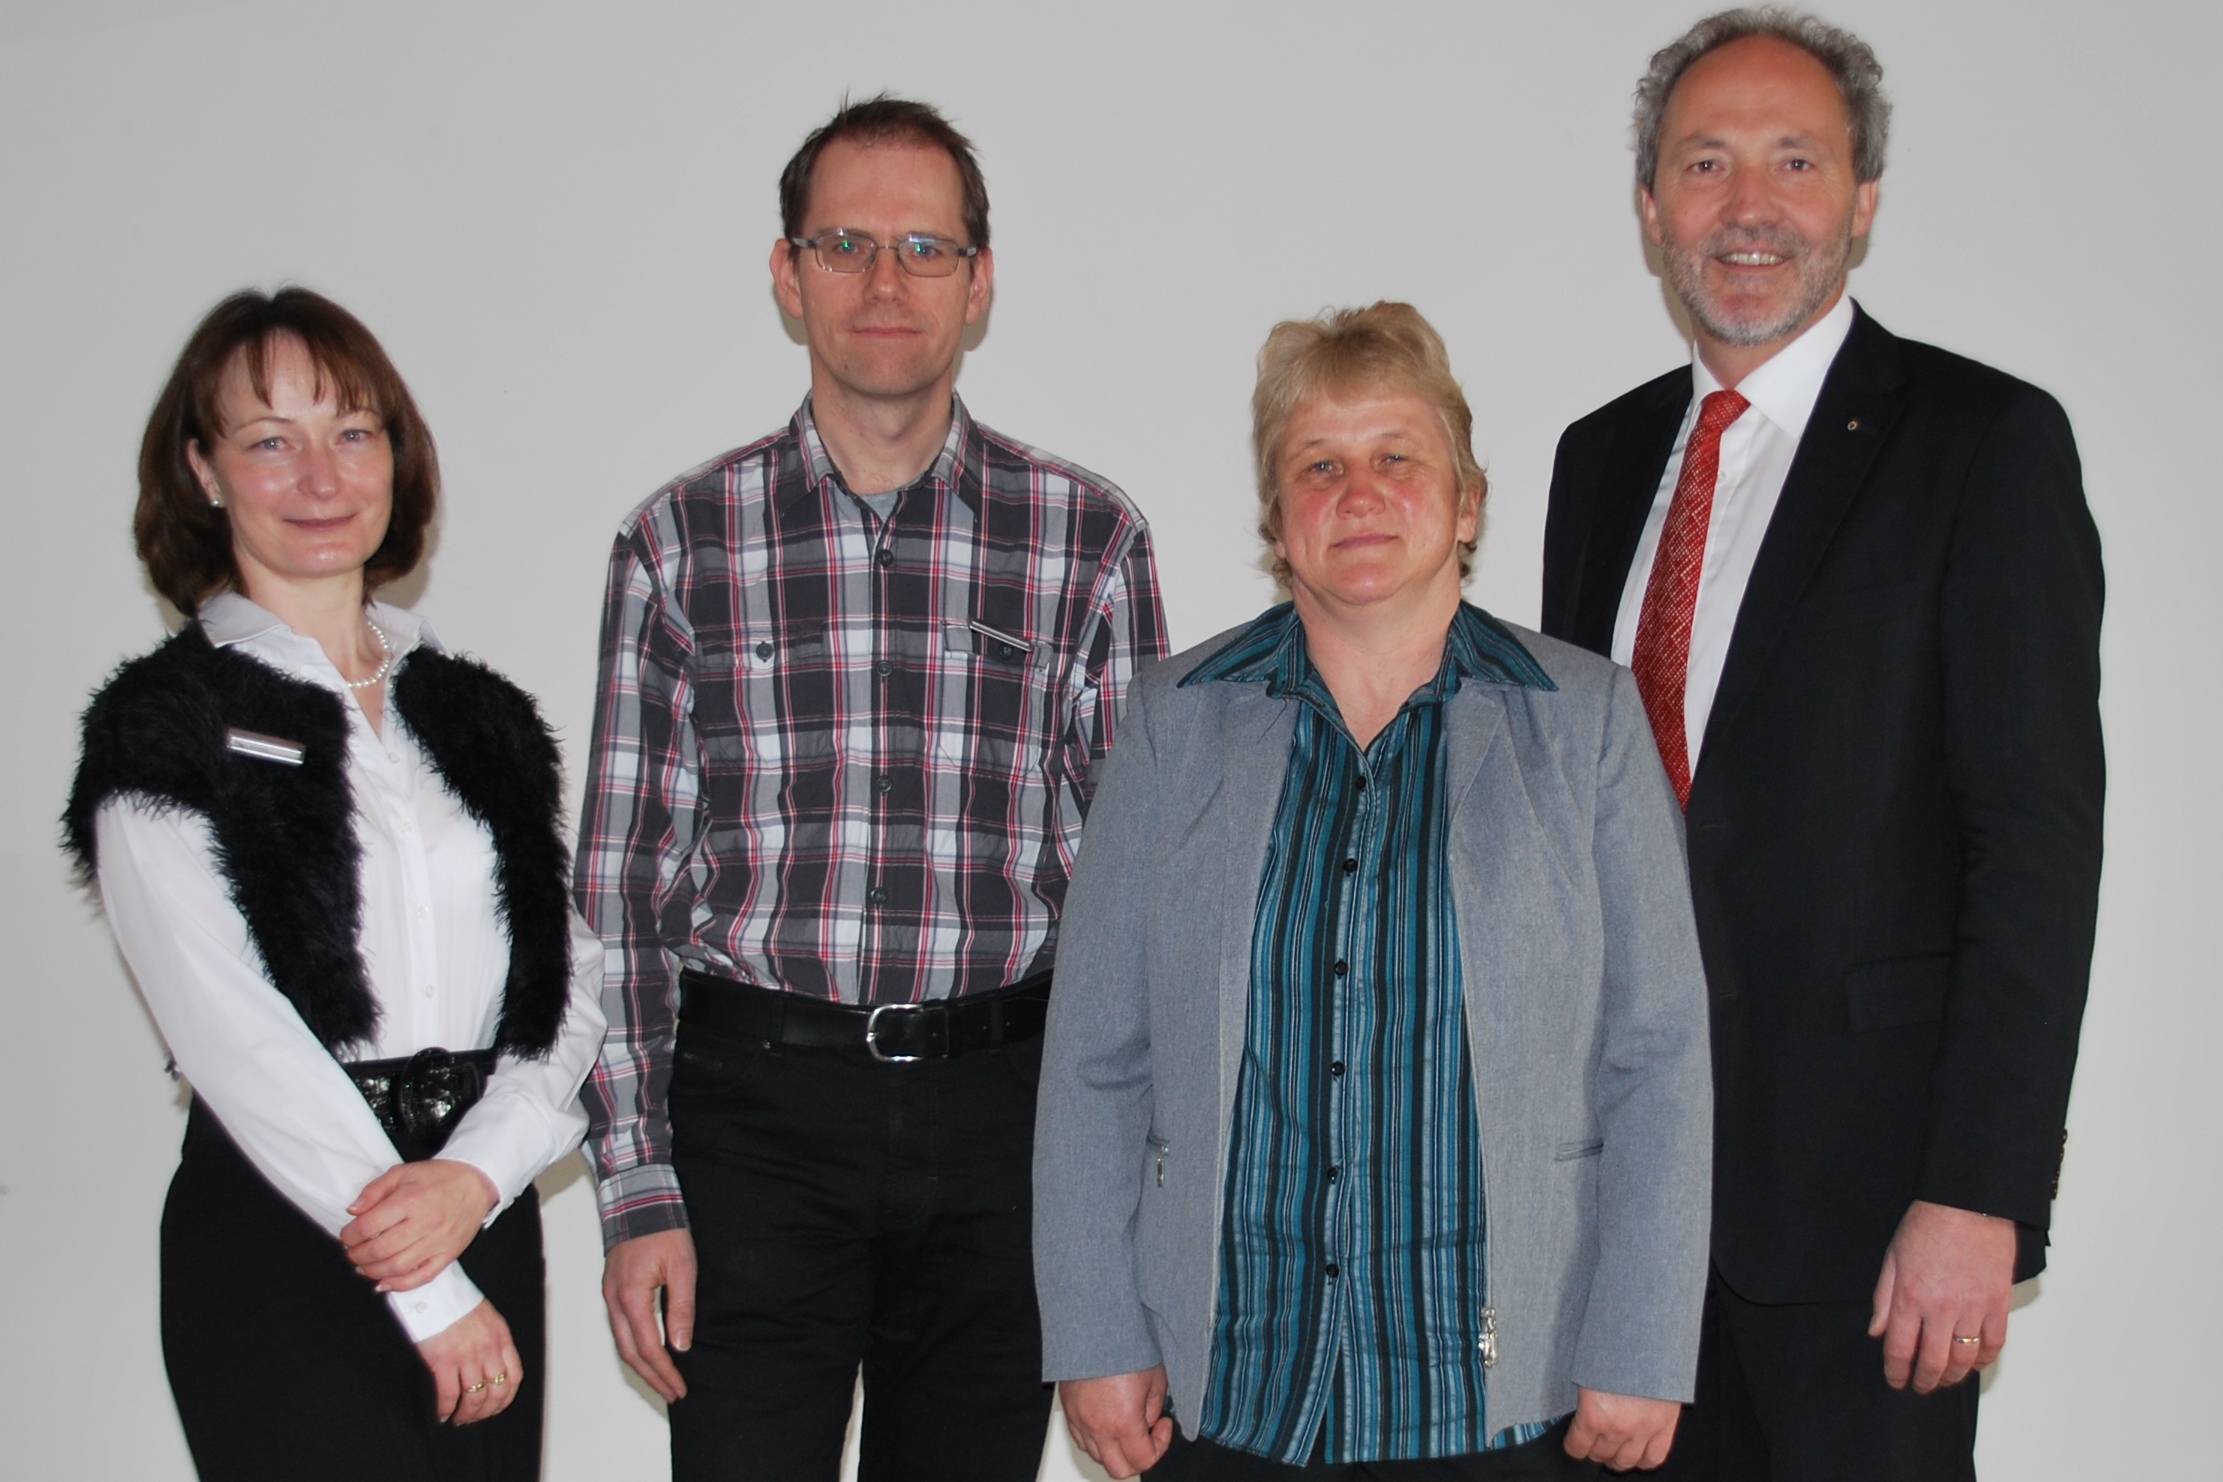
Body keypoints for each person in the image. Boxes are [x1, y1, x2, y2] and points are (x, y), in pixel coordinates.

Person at [1539, 11, 2105, 1480]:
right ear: (1649, 209)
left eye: (1794, 162)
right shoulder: (1594, 462)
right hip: (1614, 1229)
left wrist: (1975, 1195)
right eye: (1703, 163)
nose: (1746, 207)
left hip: (1865, 1230)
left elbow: (2032, 844)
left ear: (1858, 202)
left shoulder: (1982, 444)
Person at [574, 94, 1168, 1480]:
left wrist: (1122, 1204)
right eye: (844, 245)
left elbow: (1136, 900)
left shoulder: (1086, 537)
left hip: (999, 1118)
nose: (884, 283)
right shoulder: (678, 541)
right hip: (754, 1120)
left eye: (924, 247)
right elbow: (618, 891)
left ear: (979, 282)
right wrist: (637, 1189)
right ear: (786, 275)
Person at [1034, 301, 1712, 1481]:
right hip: (1232, 1393)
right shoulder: (1171, 727)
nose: (1360, 492)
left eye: (1399, 457)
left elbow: (1658, 1057)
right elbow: (1096, 1054)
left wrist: (1645, 1344)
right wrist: (1094, 1332)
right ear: (1276, 520)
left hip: (1505, 1390)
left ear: (1467, 501)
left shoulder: (1590, 725)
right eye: (1320, 465)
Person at [62, 287, 606, 1481]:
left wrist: (480, 1174)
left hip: (481, 1213)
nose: (321, 476)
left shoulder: (474, 714)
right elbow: (234, 1038)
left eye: (352, 432)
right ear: (204, 471)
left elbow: (567, 981)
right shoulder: (163, 727)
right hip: (287, 1240)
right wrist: (427, 1290)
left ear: (395, 460)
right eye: (271, 440)